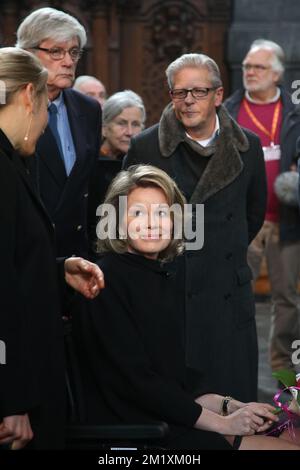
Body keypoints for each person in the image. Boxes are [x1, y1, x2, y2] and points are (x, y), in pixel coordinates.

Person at [73, 164, 300, 450]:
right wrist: (223, 424)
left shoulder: (159, 275)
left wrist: (231, 406)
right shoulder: (104, 282)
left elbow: (174, 381)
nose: (152, 223)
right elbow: (136, 384)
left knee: (291, 436)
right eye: (138, 213)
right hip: (138, 432)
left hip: (166, 417)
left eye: (161, 213)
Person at [123, 53, 267, 402]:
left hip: (227, 300)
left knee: (235, 411)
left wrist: (217, 249)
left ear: (218, 96)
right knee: (180, 413)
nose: (188, 101)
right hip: (170, 293)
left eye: (199, 92)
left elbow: (252, 214)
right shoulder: (146, 146)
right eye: (179, 92)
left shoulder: (248, 147)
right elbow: (124, 216)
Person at [0, 47, 104, 450]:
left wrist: (57, 269)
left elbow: (14, 260)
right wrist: (11, 399)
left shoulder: (11, 163)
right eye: (46, 105)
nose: (45, 124)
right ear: (29, 95)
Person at [224, 39, 300, 375]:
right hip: (242, 223)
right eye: (247, 66)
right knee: (234, 297)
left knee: (288, 302)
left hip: (288, 221)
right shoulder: (227, 111)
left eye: (259, 67)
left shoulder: (295, 113)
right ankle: (235, 371)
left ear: (278, 75)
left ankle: (284, 378)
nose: (250, 72)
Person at [16, 7, 102, 258]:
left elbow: (90, 186)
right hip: (26, 254)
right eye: (56, 51)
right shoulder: (10, 107)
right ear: (27, 53)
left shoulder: (89, 109)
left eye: (74, 52)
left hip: (78, 255)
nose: (68, 61)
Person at [88, 90, 146, 255]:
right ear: (104, 129)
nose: (129, 132)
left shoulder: (144, 166)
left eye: (135, 124)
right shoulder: (89, 164)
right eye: (121, 123)